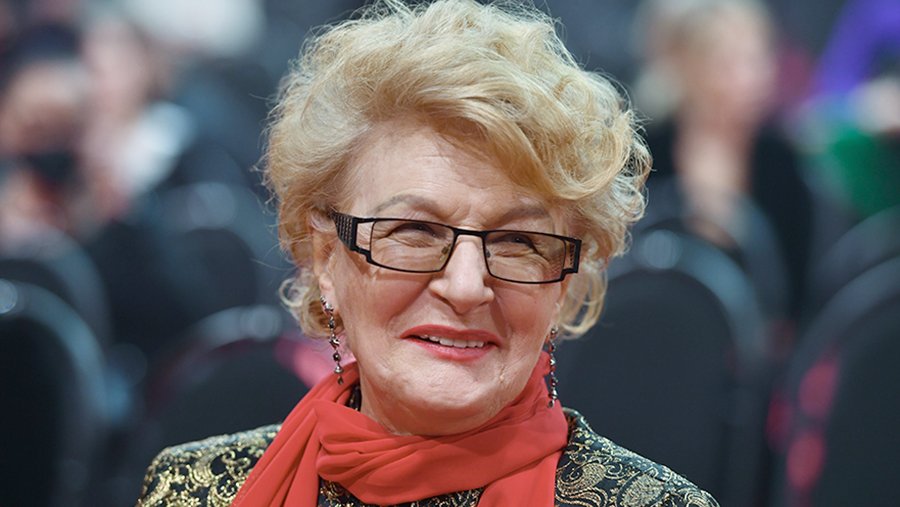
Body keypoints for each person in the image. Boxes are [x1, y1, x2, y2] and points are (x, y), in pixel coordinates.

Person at [135, 1, 719, 505]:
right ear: (325, 258)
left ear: (563, 284)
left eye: (517, 242)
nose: (465, 287)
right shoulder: (191, 490)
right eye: (414, 232)